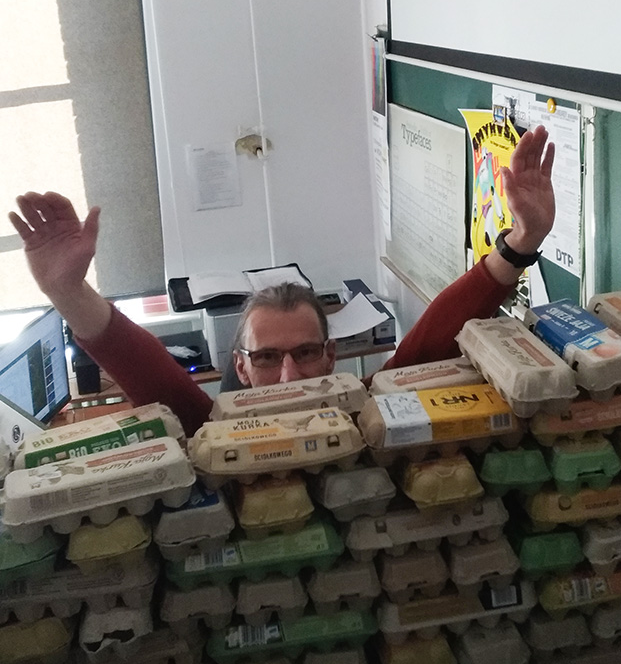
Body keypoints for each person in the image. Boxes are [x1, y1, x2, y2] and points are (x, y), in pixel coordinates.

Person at [10, 127, 555, 438]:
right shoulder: (215, 428)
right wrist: (67, 292)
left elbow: (433, 338)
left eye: (306, 353)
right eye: (268, 358)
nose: (290, 375)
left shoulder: (367, 409)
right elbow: (151, 376)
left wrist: (522, 240)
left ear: (332, 356)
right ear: (241, 367)